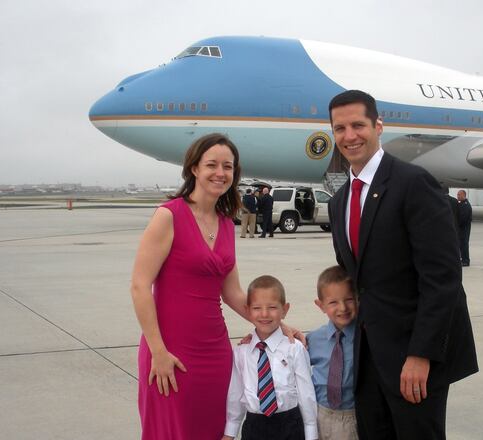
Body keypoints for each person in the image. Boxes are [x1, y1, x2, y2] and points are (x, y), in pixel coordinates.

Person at [327, 90, 478, 439]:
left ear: (378, 126)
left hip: (414, 357)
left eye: (358, 125)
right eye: (340, 128)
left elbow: (442, 278)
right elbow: (355, 280)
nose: (349, 136)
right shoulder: (339, 202)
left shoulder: (413, 183)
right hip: (368, 358)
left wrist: (422, 354)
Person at [130, 133, 302, 439]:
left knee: (215, 429)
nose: (220, 173)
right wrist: (158, 351)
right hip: (170, 350)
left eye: (228, 166)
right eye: (212, 164)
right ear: (194, 168)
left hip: (215, 351)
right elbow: (139, 287)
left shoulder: (225, 222)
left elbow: (233, 293)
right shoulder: (169, 215)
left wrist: (278, 326)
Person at [223, 275, 318, 440]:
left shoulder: (294, 348)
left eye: (272, 307)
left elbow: (306, 394)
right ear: (247, 310)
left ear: (285, 310)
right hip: (254, 427)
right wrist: (230, 432)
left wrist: (311, 433)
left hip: (290, 425)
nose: (264, 314)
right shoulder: (241, 353)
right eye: (257, 308)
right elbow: (235, 395)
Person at [307, 266, 358, 440]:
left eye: (349, 299)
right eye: (333, 302)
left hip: (352, 416)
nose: (343, 308)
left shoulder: (364, 339)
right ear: (320, 305)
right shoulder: (313, 339)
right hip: (319, 414)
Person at [457, 190, 472, 266]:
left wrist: (456, 224)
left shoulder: (465, 205)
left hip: (464, 228)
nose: (458, 196)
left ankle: (466, 260)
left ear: (464, 195)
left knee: (464, 244)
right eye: (457, 194)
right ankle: (463, 259)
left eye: (459, 195)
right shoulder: (461, 204)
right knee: (461, 244)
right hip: (461, 228)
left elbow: (463, 218)